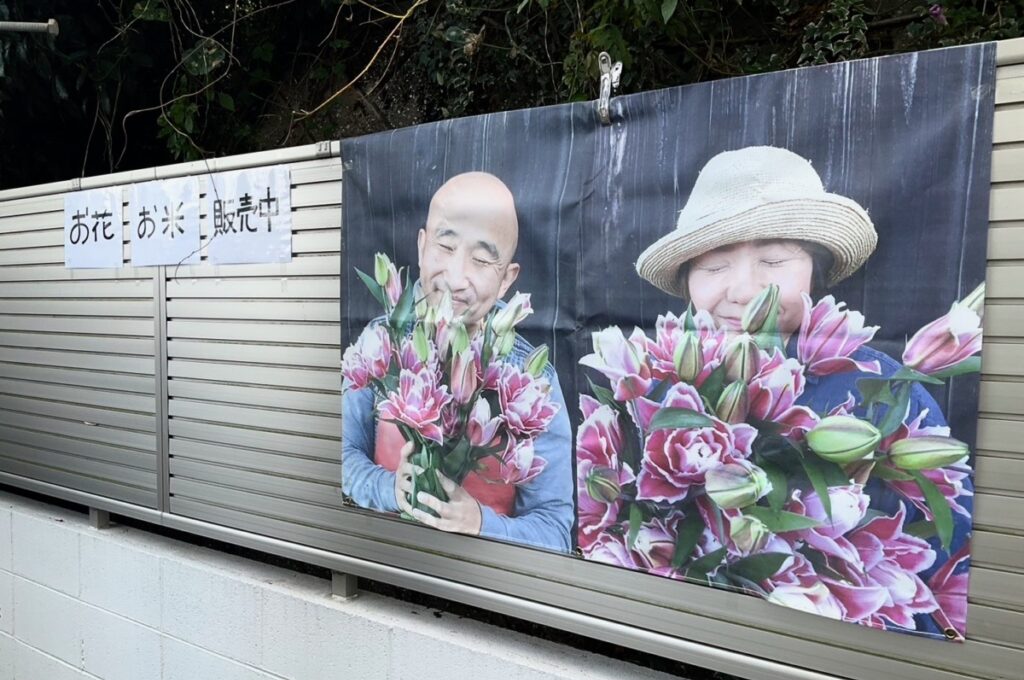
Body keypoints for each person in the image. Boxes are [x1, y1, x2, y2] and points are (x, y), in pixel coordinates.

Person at [634, 145, 973, 635]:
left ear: (815, 267)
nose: (744, 291)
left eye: (773, 259)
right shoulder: (660, 389)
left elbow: (949, 573)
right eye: (713, 267)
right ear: (687, 280)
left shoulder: (884, 394)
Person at [342, 172, 574, 553]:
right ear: (421, 247)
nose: (455, 277)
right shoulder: (381, 342)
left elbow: (556, 531)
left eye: (482, 259)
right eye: (445, 247)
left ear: (506, 279)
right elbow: (342, 454)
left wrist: (480, 523)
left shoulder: (533, 383)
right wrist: (390, 489)